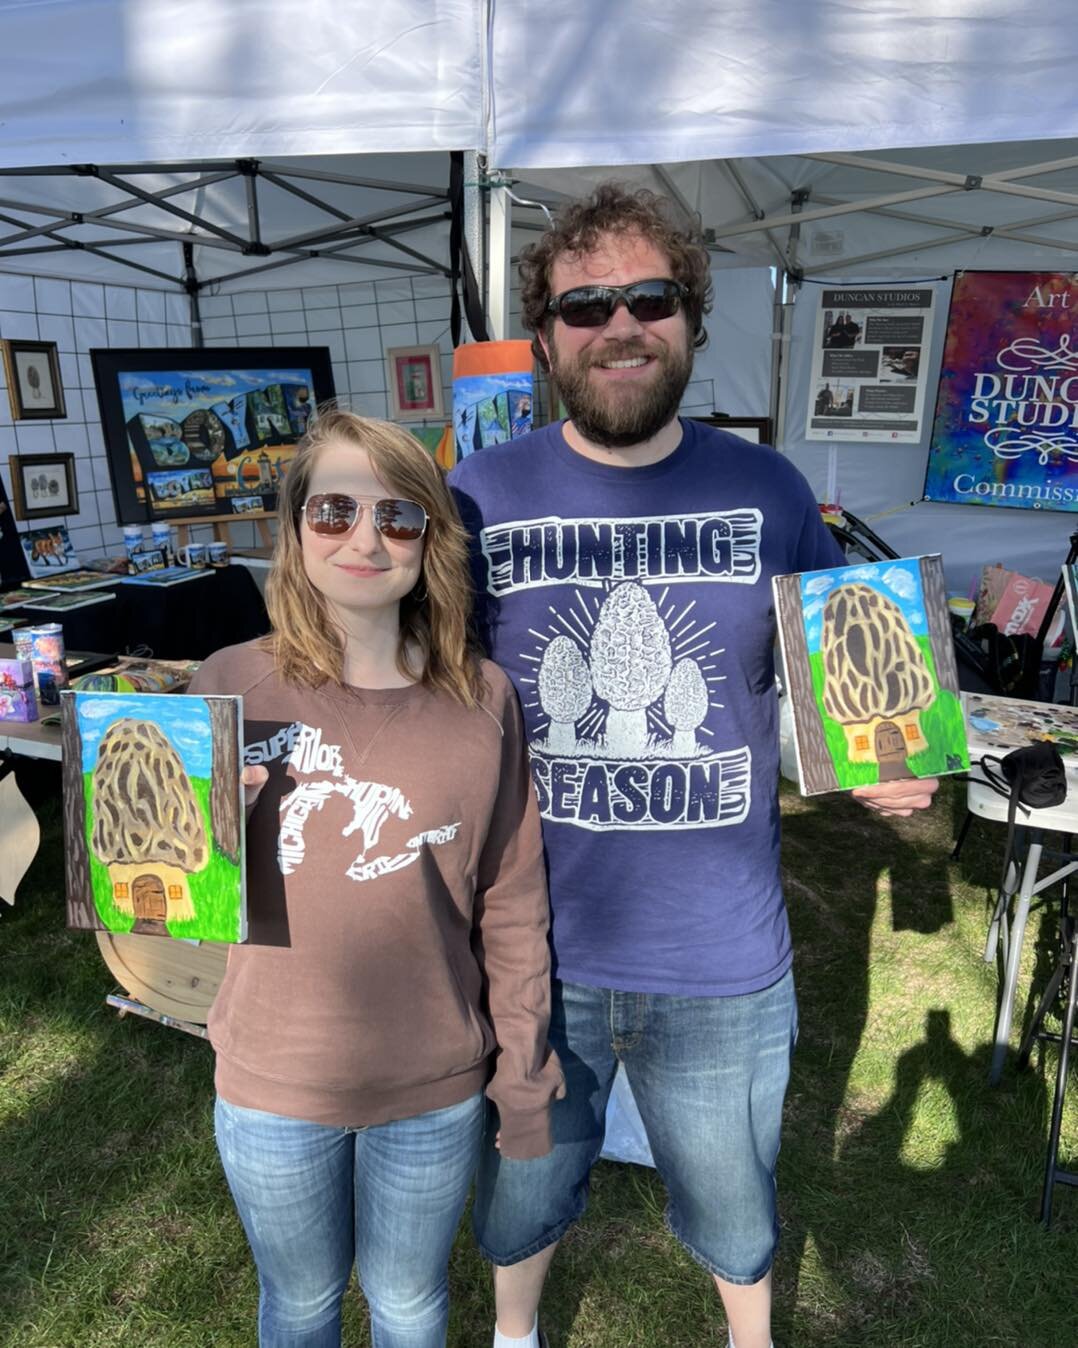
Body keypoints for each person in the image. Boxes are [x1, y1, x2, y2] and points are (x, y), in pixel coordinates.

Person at [449, 184, 937, 1348]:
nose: (619, 325)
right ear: (547, 337)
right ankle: (516, 1336)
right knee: (526, 1181)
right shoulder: (477, 495)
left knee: (731, 1196)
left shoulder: (766, 488)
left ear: (690, 317)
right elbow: (409, 684)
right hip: (534, 947)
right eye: (585, 306)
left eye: (649, 297)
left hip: (720, 952)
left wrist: (889, 759)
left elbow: (851, 663)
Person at [188, 409, 563, 1348]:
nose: (365, 538)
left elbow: (513, 903)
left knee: (406, 1305)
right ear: (294, 528)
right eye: (334, 511)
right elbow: (165, 896)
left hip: (431, 1084)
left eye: (398, 516)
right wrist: (204, 839)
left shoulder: (483, 698)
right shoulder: (229, 682)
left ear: (430, 541)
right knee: (301, 1304)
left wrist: (520, 1074)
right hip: (274, 1081)